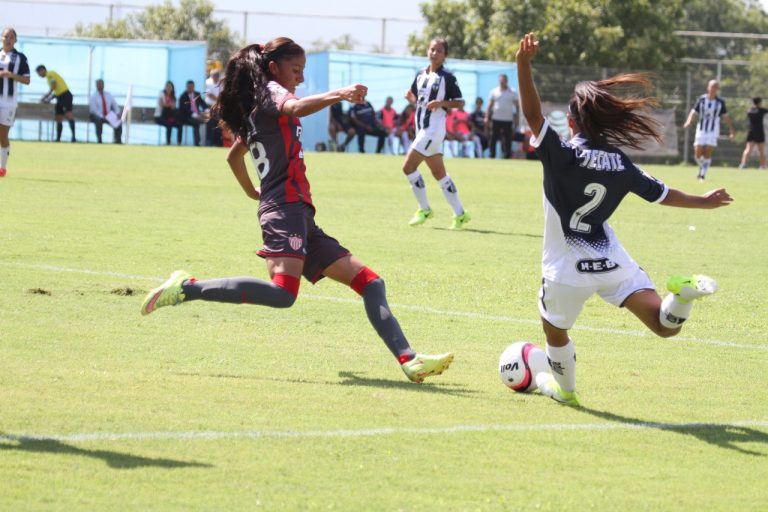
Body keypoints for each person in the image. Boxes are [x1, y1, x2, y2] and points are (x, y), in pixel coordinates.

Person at [139, 38, 453, 384]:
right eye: (296, 70)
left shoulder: (261, 106)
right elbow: (297, 107)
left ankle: (409, 360)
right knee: (283, 293)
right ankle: (187, 288)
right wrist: (340, 93)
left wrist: (253, 192)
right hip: (285, 210)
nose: (300, 78)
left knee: (371, 283)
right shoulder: (273, 94)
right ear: (273, 69)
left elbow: (234, 156)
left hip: (297, 212)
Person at [515, 32, 733, 406]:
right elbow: (663, 194)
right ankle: (682, 295)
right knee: (665, 327)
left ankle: (566, 391)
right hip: (612, 262)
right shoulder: (620, 163)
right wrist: (705, 201)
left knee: (554, 331)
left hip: (565, 270)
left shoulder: (561, 155)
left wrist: (523, 63)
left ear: (571, 121)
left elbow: (533, 115)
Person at [402, 37, 470, 230]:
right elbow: (419, 101)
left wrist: (442, 103)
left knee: (408, 167)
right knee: (439, 174)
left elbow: (460, 102)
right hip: (422, 130)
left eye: (439, 51)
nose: (434, 53)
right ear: (427, 51)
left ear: (445, 55)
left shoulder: (447, 77)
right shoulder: (420, 75)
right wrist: (411, 99)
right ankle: (461, 214)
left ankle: (424, 209)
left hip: (433, 130)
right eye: (432, 49)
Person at [683, 79, 735, 181]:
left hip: (713, 130)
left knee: (707, 151)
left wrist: (731, 129)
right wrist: (688, 121)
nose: (713, 89)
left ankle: (702, 174)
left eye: (715, 87)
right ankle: (702, 167)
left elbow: (726, 117)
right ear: (708, 87)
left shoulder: (720, 102)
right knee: (698, 153)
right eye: (711, 86)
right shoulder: (701, 99)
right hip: (701, 129)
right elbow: (694, 112)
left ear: (717, 89)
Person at [0, 27, 30, 178]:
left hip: (9, 102)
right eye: (6, 36)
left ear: (15, 40)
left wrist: (11, 75)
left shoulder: (20, 58)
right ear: (1, 38)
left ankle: (2, 167)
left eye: (11, 37)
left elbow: (27, 79)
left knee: (3, 135)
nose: (8, 39)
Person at [35, 64, 76, 142]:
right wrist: (49, 99)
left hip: (65, 96)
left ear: (42, 70)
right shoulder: (49, 76)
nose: (39, 75)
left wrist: (46, 96)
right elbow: (57, 90)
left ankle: (73, 137)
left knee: (68, 115)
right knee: (58, 117)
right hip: (60, 97)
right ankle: (58, 138)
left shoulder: (50, 74)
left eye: (39, 73)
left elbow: (54, 86)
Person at [485, 73, 519, 159]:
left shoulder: (513, 92)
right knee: (493, 137)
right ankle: (491, 155)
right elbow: (489, 106)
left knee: (507, 138)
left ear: (506, 81)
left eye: (503, 81)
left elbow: (517, 106)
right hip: (496, 118)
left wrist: (517, 118)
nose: (501, 82)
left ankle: (507, 155)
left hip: (508, 119)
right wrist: (486, 117)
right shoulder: (494, 91)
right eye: (500, 81)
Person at [88, 79, 122, 144]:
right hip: (96, 116)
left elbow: (115, 105)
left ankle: (118, 140)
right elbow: (94, 110)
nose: (100, 86)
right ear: (96, 85)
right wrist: (102, 116)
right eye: (99, 84)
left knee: (118, 122)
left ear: (104, 85)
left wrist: (117, 113)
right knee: (99, 120)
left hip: (108, 115)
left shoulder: (108, 95)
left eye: (102, 84)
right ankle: (99, 140)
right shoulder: (93, 96)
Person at [738, 96, 767, 170]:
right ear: (759, 102)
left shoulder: (750, 111)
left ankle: (743, 164)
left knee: (748, 149)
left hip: (751, 131)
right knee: (761, 150)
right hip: (759, 131)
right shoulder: (761, 110)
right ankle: (762, 165)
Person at [178, 80, 208, 146]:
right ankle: (197, 143)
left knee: (209, 121)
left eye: (192, 87)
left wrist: (207, 110)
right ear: (186, 87)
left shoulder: (197, 94)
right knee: (196, 122)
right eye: (189, 87)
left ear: (194, 87)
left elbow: (203, 104)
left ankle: (210, 142)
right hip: (186, 117)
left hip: (197, 114)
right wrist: (195, 115)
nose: (190, 88)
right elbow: (183, 109)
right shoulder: (183, 96)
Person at [154, 81, 181, 145]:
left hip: (169, 116)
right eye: (167, 86)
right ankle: (168, 143)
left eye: (170, 87)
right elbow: (162, 105)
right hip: (159, 117)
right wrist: (170, 105)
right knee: (169, 125)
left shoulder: (173, 96)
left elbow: (173, 107)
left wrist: (170, 105)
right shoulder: (161, 94)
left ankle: (179, 143)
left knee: (179, 125)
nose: (169, 88)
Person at [204, 68, 223, 146]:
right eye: (214, 76)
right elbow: (208, 94)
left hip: (218, 107)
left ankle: (218, 142)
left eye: (217, 76)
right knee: (210, 124)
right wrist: (218, 99)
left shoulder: (221, 83)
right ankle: (209, 142)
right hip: (209, 107)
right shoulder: (207, 82)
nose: (215, 77)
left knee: (218, 125)